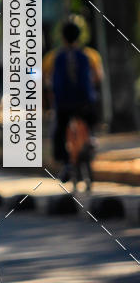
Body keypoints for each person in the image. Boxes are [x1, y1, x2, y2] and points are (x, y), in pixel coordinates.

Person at [48, 21, 98, 182]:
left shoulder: (53, 57)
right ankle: (91, 139)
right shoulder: (90, 55)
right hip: (85, 102)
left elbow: (45, 80)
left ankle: (65, 163)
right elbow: (98, 77)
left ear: (62, 37)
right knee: (90, 123)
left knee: (59, 132)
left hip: (63, 103)